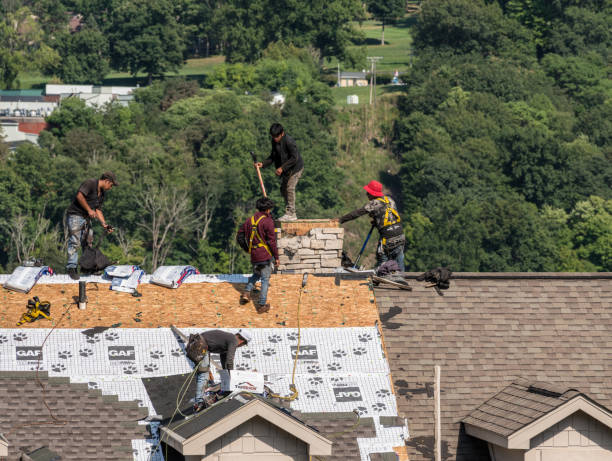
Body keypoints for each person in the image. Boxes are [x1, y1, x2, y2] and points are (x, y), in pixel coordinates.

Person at [338, 180, 405, 271]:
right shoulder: (390, 199)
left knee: (382, 261)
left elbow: (357, 213)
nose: (367, 194)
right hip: (400, 235)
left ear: (373, 194)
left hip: (388, 238)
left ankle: (383, 276)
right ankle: (401, 279)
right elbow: (389, 216)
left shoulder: (374, 203)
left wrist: (340, 220)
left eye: (368, 192)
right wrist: (377, 221)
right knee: (399, 259)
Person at [65, 172, 118, 280]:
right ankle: (72, 267)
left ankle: (87, 267)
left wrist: (104, 224)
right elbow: (79, 196)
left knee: (88, 242)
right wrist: (89, 210)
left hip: (86, 218)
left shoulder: (102, 193)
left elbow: (98, 209)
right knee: (75, 242)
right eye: (111, 185)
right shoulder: (90, 183)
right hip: (75, 215)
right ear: (107, 181)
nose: (110, 187)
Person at [193, 329, 252, 412]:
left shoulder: (229, 339)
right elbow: (229, 360)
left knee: (203, 374)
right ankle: (198, 403)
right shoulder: (234, 340)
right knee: (203, 375)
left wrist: (226, 374)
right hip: (200, 345)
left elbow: (224, 358)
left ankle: (201, 399)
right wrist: (233, 376)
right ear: (242, 341)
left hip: (198, 344)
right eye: (243, 344)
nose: (240, 346)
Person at [254, 123, 304, 221]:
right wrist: (263, 164)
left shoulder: (289, 141)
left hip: (295, 168)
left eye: (277, 136)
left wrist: (282, 168)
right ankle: (289, 212)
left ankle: (291, 213)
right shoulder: (274, 142)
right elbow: (273, 156)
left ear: (282, 133)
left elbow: (295, 158)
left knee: (290, 188)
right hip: (286, 170)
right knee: (283, 190)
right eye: (273, 137)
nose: (275, 139)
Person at [238, 197, 280, 313]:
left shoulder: (249, 220)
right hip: (265, 255)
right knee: (265, 279)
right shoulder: (267, 222)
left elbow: (239, 236)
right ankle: (261, 305)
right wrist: (276, 257)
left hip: (254, 255)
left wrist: (247, 248)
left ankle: (247, 292)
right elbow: (271, 241)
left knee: (257, 274)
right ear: (267, 209)